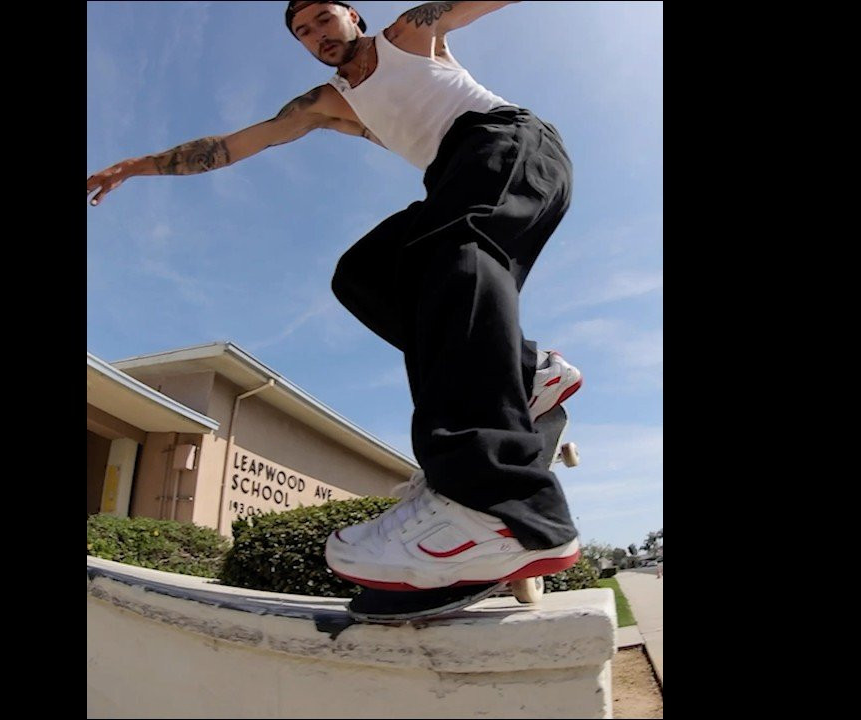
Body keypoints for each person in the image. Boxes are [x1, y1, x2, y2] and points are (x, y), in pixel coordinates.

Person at [87, 1, 584, 591]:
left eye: (324, 19)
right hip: (453, 178)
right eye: (303, 32)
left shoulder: (410, 34)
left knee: (452, 256)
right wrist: (137, 167)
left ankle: (500, 504)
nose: (317, 36)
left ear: (353, 15)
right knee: (366, 274)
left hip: (508, 144)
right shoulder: (325, 105)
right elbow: (230, 146)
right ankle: (525, 371)